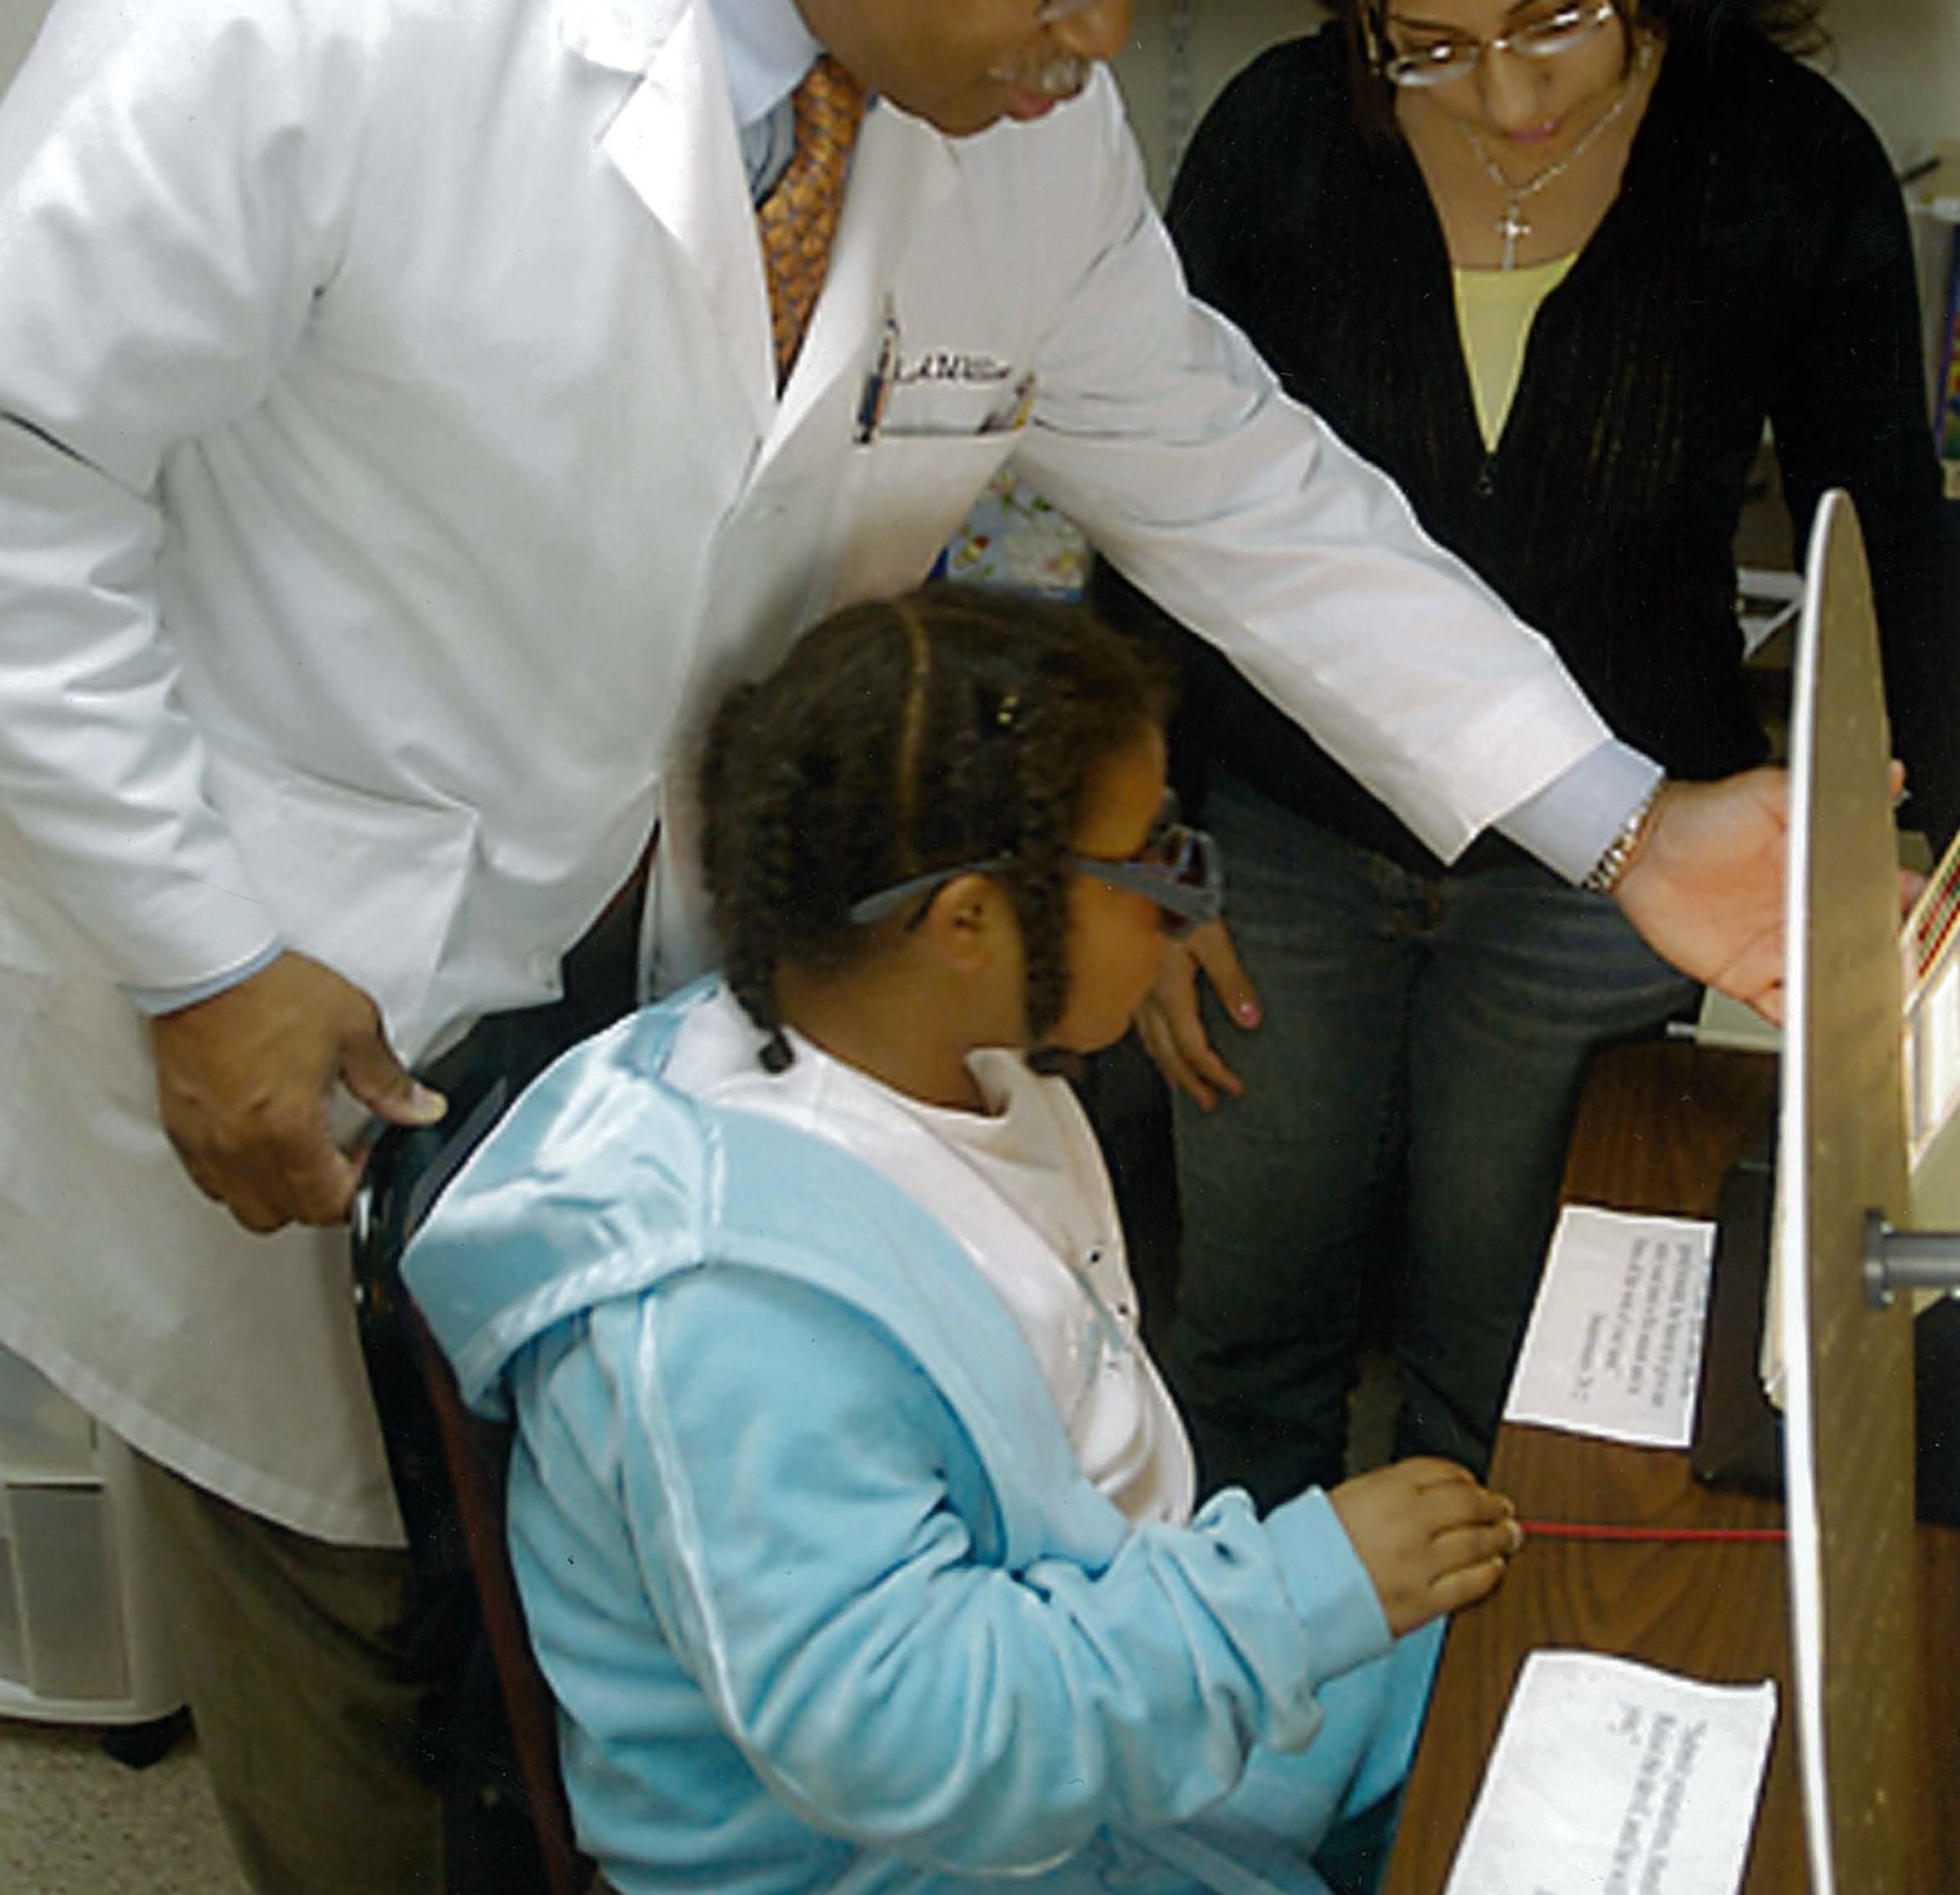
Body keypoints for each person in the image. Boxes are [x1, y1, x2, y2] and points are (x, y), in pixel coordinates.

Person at [0, 0, 1785, 1891]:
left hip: (678, 1008)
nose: (1093, 49)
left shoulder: (994, 119)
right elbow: (22, 466)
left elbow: (1225, 469)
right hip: (275, 949)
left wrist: (1612, 814)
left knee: (706, 1602)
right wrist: (198, 952)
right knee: (374, 1671)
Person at [1111, 0, 1960, 1510]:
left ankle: (1431, 1789)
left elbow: (1886, 530)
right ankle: (1240, 1785)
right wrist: (1144, 856)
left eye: (1552, 18)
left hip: (1601, 866)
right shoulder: (1271, 144)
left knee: (1507, 1372)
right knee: (1239, 1337)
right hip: (1285, 852)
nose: (1499, 98)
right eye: (1425, 41)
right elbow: (1153, 532)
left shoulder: (1781, 163)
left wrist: (1903, 843)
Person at [404, 585, 1523, 1895]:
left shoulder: (952, 1060)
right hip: (899, 1849)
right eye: (1151, 862)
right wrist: (1280, 1598)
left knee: (1507, 1652)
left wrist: (1273, 1599)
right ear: (970, 921)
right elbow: (907, 1740)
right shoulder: (734, 1317)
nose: (1189, 901)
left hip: (1082, 1691)